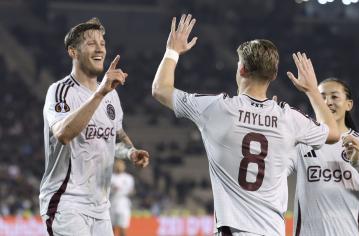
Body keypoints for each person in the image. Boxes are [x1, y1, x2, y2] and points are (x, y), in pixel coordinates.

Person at [151, 14, 340, 236]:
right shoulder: (290, 118)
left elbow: (160, 90)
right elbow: (333, 133)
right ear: (274, 75)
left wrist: (172, 50)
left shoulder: (217, 108)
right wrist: (312, 91)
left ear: (241, 70)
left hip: (235, 229)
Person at [40, 18, 150, 236]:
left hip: (101, 208)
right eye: (91, 43)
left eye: (102, 43)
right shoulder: (61, 91)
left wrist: (131, 151)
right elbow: (63, 134)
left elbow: (115, 137)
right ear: (73, 52)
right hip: (66, 202)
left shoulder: (112, 96)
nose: (100, 48)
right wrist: (100, 93)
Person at [289, 78, 359, 236]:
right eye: (322, 96)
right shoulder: (302, 143)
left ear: (349, 104)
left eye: (334, 96)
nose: (328, 102)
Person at [110, 160, 135, 236]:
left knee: (122, 227)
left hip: (123, 204)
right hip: (112, 204)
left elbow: (131, 191)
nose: (119, 166)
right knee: (111, 228)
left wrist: (130, 191)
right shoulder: (111, 177)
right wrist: (112, 189)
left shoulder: (128, 178)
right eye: (117, 165)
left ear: (124, 166)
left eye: (121, 165)